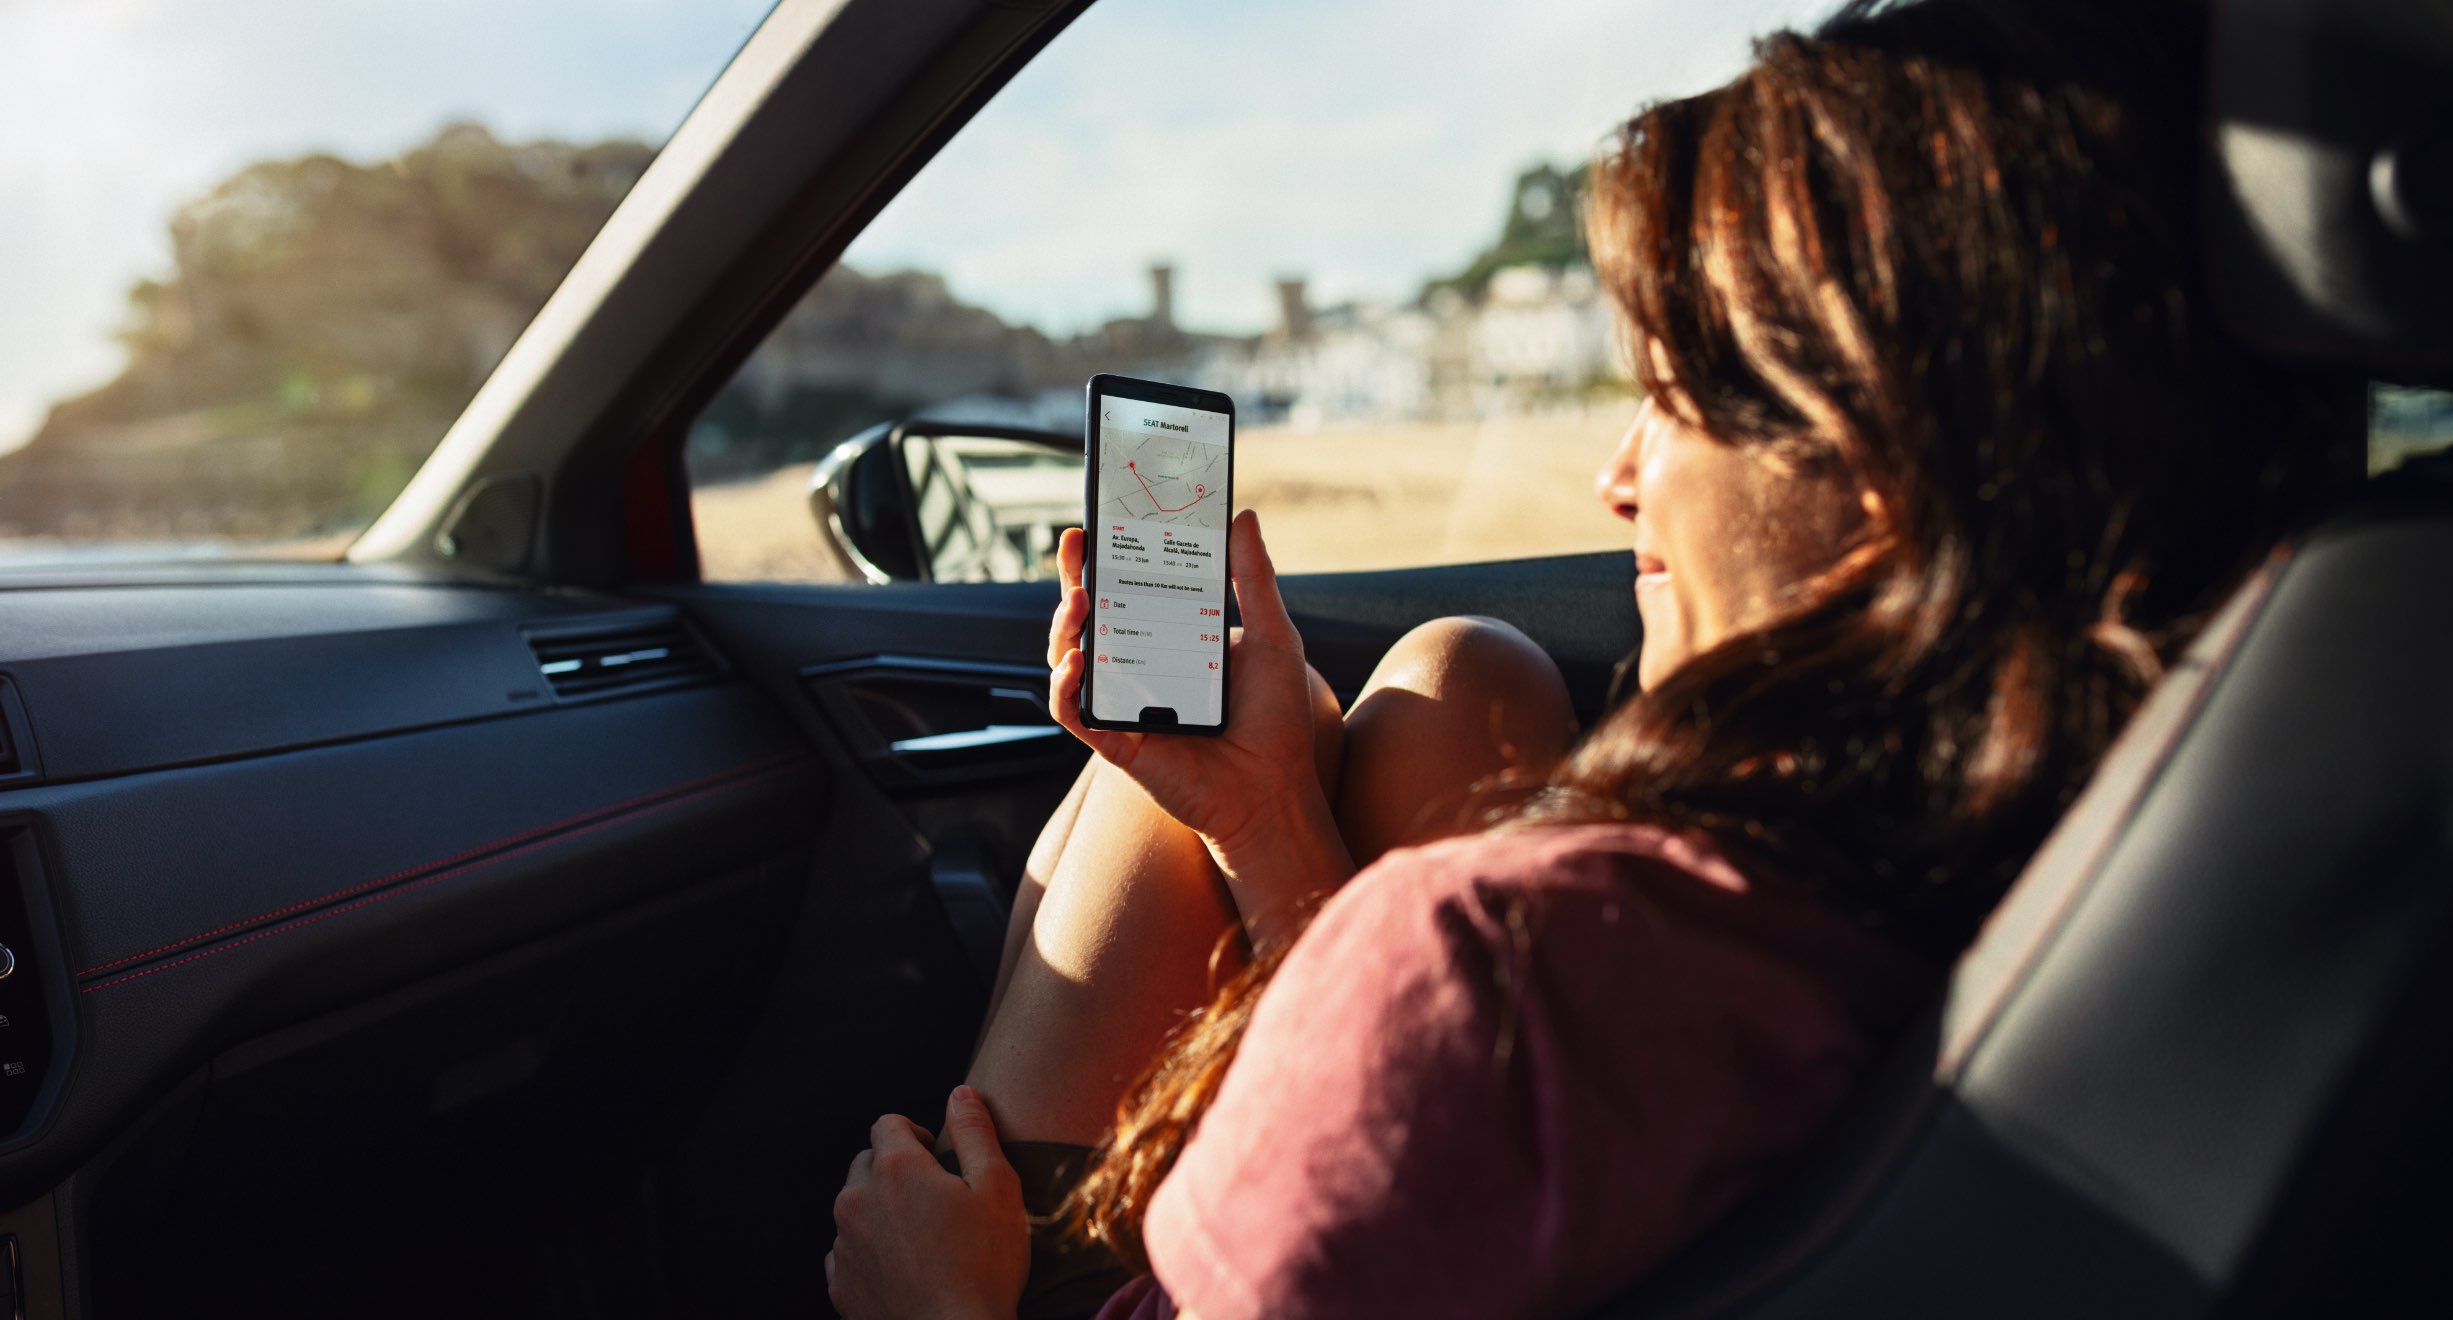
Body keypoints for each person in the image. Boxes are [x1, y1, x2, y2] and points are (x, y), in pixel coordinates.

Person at [823, 0, 2359, 1315]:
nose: (1621, 475)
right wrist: (1273, 824)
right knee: (1457, 678)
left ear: (1884, 475)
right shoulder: (2129, 820)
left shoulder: (1498, 973)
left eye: (1679, 396)